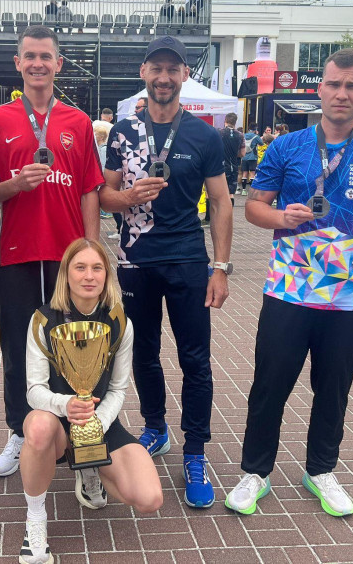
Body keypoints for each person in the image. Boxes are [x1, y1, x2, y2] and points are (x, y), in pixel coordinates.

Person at [228, 48, 353, 517]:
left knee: (334, 389)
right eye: (334, 84)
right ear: (320, 89)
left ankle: (321, 470)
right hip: (288, 290)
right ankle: (256, 472)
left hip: (350, 298)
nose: (342, 93)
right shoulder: (287, 147)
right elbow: (253, 208)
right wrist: (280, 216)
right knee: (269, 385)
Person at [100, 35, 232, 508]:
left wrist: (221, 267)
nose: (163, 77)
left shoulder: (203, 135)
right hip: (134, 261)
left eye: (172, 70)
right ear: (144, 73)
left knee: (195, 360)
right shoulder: (122, 132)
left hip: (188, 262)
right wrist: (127, 198)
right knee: (143, 353)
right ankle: (155, 427)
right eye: (156, 69)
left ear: (184, 76)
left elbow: (221, 201)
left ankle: (195, 452)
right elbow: (104, 195)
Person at [0, 25, 104, 478]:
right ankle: (20, 431)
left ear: (58, 64)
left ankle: (79, 436)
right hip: (16, 255)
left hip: (66, 257)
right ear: (18, 63)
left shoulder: (78, 122)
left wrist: (90, 251)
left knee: (77, 350)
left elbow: (90, 189)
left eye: (45, 56)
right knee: (18, 349)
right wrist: (15, 184)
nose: (37, 64)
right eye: (29, 56)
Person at [19, 238, 163, 564]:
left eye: (97, 268)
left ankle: (89, 467)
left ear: (106, 275)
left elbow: (118, 390)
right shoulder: (42, 320)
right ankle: (36, 520)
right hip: (55, 420)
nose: (89, 276)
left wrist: (97, 422)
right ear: (66, 274)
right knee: (38, 428)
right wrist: (65, 406)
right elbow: (34, 390)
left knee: (149, 498)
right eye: (80, 267)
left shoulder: (120, 323)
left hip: (99, 419)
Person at [220, 114, 245, 204]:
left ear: (225, 121)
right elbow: (242, 153)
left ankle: (215, 212)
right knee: (230, 193)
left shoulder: (219, 133)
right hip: (233, 167)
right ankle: (229, 212)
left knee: (218, 193)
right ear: (235, 122)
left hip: (220, 166)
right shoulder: (240, 135)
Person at [240, 126, 261, 196]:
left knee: (244, 173)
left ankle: (243, 190)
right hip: (253, 157)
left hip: (244, 157)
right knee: (252, 173)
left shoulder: (244, 136)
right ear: (255, 130)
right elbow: (261, 143)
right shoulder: (256, 136)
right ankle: (252, 191)